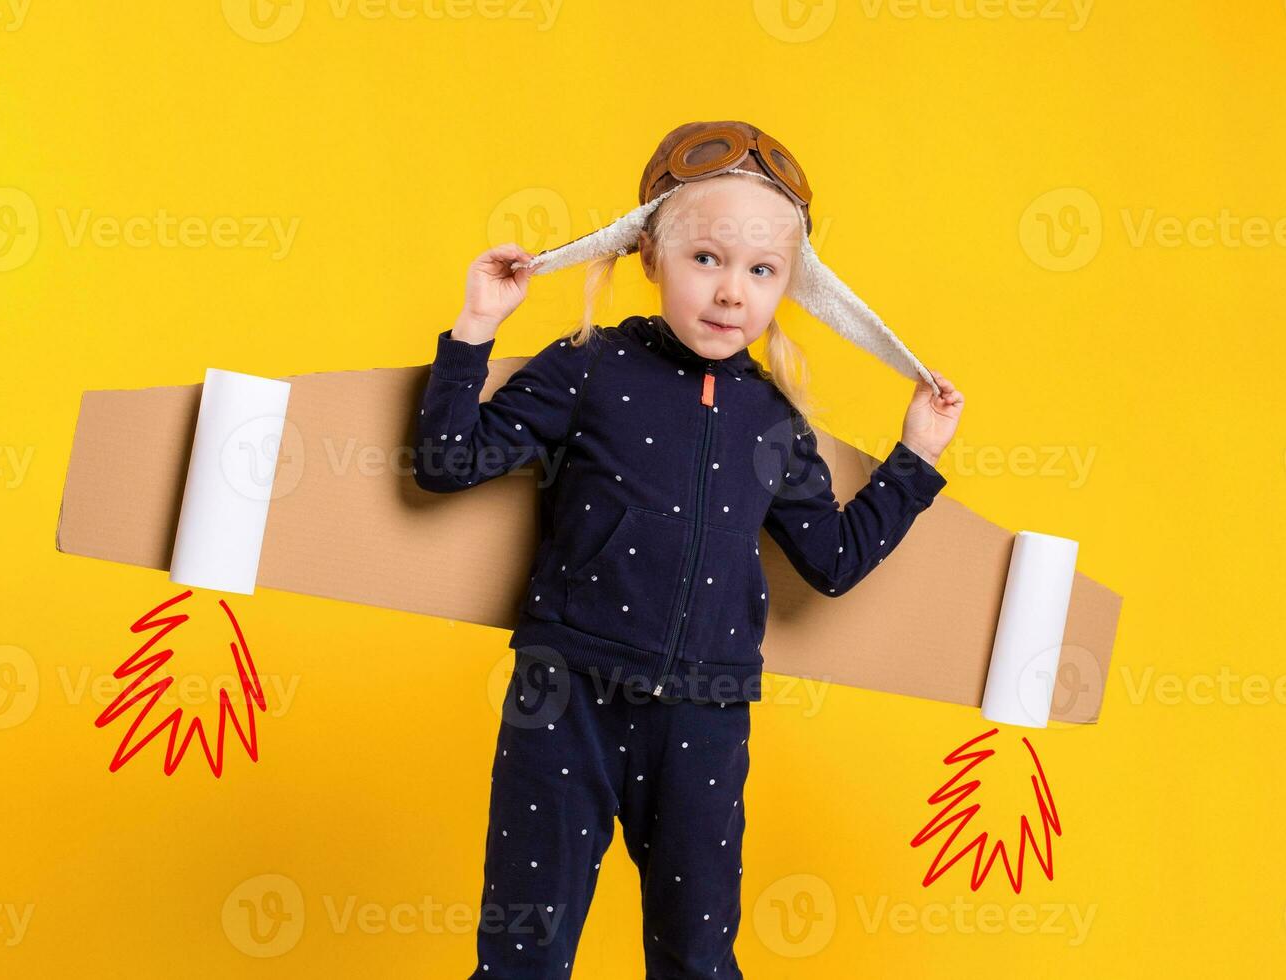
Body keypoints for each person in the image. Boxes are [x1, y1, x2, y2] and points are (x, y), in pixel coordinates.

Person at [413, 120, 964, 978]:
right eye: (706, 258)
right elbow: (448, 463)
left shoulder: (776, 422)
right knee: (521, 956)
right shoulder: (587, 368)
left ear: (787, 287)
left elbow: (834, 560)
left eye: (760, 271)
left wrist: (915, 458)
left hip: (704, 720)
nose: (731, 292)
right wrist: (476, 327)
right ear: (649, 257)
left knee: (699, 961)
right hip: (564, 699)